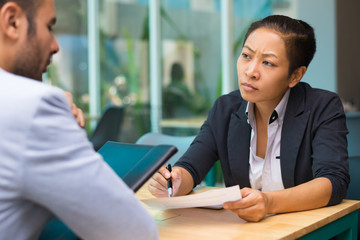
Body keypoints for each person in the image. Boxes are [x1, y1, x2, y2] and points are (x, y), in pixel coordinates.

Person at [148, 15, 350, 222]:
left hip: (303, 228)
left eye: (268, 63)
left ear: (295, 76)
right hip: (246, 231)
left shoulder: (322, 107)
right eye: (246, 55)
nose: (251, 71)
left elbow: (333, 181)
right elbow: (191, 166)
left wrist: (269, 202)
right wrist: (176, 181)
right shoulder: (225, 108)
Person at [0, 0, 158, 239]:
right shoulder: (33, 106)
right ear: (12, 21)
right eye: (49, 27)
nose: (55, 46)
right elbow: (135, 231)